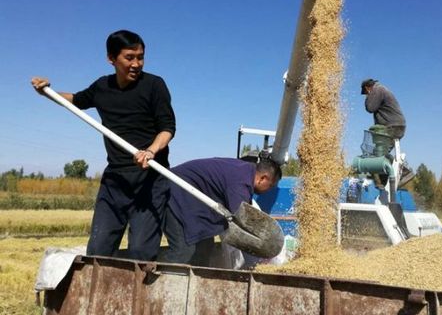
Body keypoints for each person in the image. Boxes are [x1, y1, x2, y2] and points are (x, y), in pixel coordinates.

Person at [31, 30, 176, 261]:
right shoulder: (102, 87)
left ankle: (138, 294)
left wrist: (150, 151)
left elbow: (167, 128)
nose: (136, 64)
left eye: (140, 57)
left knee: (141, 252)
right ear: (111, 58)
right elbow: (76, 101)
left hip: (150, 179)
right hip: (115, 180)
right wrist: (47, 92)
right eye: (129, 57)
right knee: (98, 250)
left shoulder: (154, 85)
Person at [162, 157, 282, 265]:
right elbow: (241, 224)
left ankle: (197, 283)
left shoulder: (244, 172)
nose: (269, 190)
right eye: (270, 185)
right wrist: (259, 258)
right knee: (183, 251)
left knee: (204, 246)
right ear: (263, 178)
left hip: (190, 203)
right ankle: (160, 283)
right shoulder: (241, 181)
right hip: (173, 193)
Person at [361, 78, 413, 186]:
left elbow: (370, 107)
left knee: (378, 155)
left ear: (367, 88)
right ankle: (387, 181)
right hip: (395, 125)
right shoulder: (382, 89)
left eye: (366, 93)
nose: (366, 96)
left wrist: (368, 97)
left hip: (392, 126)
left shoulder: (377, 90)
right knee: (379, 153)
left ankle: (403, 172)